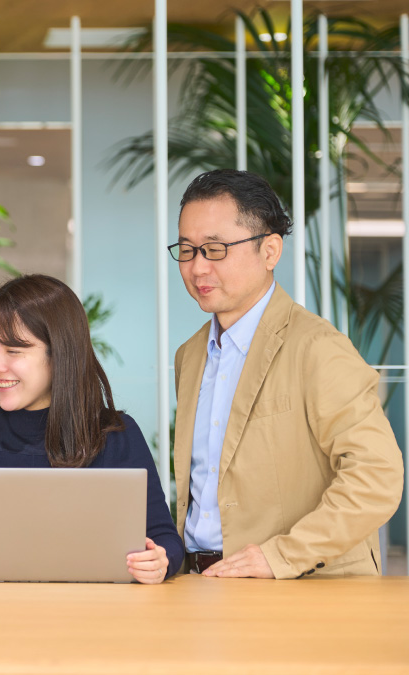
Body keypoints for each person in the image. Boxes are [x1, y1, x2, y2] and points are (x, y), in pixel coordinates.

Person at [172, 169, 403, 578]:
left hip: (300, 585)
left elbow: (377, 475)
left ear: (270, 251)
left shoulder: (318, 348)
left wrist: (282, 555)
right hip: (201, 581)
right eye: (187, 250)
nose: (197, 267)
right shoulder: (189, 356)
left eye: (215, 249)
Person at [0, 274, 182, 583]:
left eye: (13, 351)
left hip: (100, 606)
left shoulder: (117, 434)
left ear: (59, 355)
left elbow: (164, 537)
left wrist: (160, 560)